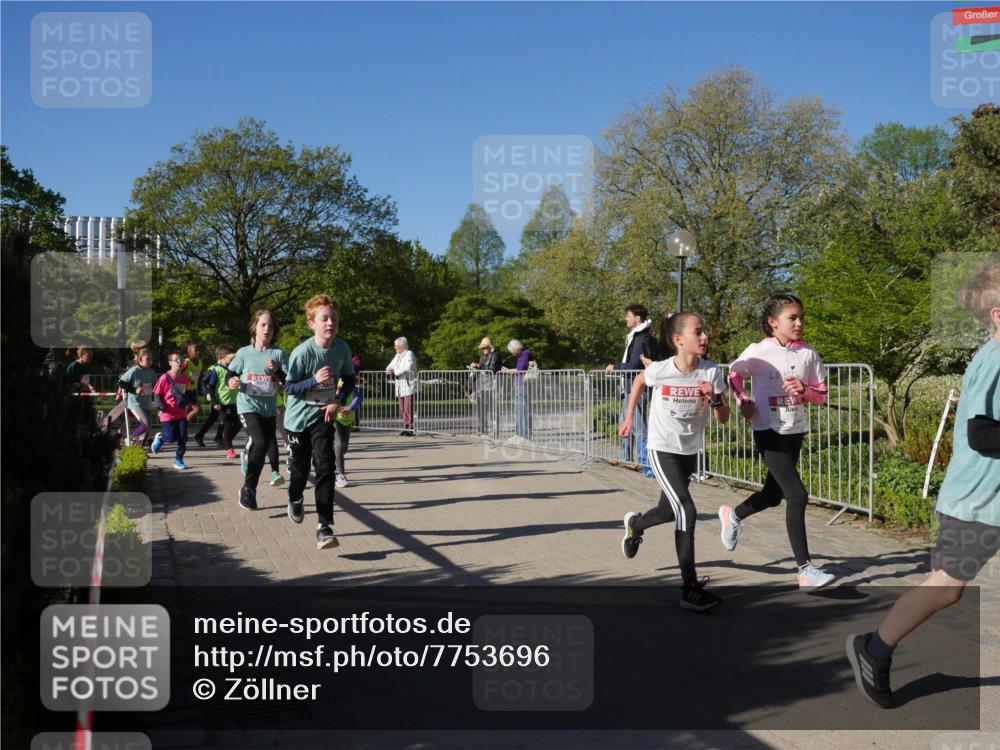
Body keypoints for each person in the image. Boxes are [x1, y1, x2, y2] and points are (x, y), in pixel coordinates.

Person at [846, 261, 1000, 709]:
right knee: (947, 587)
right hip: (978, 501)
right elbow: (982, 434)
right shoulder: (993, 361)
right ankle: (873, 649)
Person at [718, 292, 834, 589]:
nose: (799, 323)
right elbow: (734, 375)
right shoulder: (757, 351)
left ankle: (733, 516)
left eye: (801, 318)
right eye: (792, 318)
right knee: (797, 495)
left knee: (772, 495)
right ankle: (805, 570)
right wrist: (744, 400)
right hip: (767, 429)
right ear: (772, 322)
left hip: (795, 429)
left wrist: (804, 389)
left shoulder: (808, 353)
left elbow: (821, 396)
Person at [620, 312, 730, 611]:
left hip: (689, 450)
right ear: (679, 340)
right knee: (686, 509)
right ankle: (690, 590)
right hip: (661, 447)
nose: (705, 336)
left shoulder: (711, 372)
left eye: (704, 331)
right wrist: (630, 416)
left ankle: (636, 525)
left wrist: (715, 399)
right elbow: (640, 381)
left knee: (667, 511)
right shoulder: (662, 370)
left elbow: (724, 417)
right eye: (698, 332)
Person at [283, 294, 356, 550]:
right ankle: (294, 498)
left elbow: (349, 378)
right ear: (312, 323)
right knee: (301, 470)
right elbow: (290, 387)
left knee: (325, 466)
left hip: (323, 415)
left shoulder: (342, 349)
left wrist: (337, 399)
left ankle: (324, 526)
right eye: (324, 319)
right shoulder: (302, 353)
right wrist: (313, 380)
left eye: (334, 319)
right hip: (297, 419)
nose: (330, 323)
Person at [227, 310, 289, 511]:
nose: (267, 329)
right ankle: (249, 489)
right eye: (263, 325)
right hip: (247, 406)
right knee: (261, 443)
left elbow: (290, 381)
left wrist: (278, 370)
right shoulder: (244, 353)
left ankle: (249, 480)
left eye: (270, 326)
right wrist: (231, 381)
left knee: (262, 447)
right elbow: (231, 373)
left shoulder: (279, 354)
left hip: (268, 409)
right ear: (255, 327)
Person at [605, 304, 658, 473]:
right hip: (630, 386)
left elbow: (635, 364)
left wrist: (615, 367)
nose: (625, 319)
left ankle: (644, 462)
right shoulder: (636, 337)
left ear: (637, 318)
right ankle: (625, 457)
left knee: (638, 425)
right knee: (624, 422)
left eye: (628, 315)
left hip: (638, 387)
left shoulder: (642, 339)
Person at [150, 351, 192, 469]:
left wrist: (188, 402)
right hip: (167, 414)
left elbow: (185, 393)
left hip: (181, 413)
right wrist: (160, 406)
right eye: (176, 360)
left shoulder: (184, 378)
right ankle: (161, 438)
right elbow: (157, 393)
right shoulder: (164, 377)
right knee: (171, 437)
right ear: (170, 363)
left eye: (181, 360)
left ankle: (179, 460)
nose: (179, 362)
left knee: (183, 437)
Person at [195, 348, 239, 455]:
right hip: (219, 401)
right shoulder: (214, 369)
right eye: (229, 358)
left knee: (219, 419)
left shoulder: (231, 369)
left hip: (230, 401)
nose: (232, 360)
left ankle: (218, 438)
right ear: (221, 358)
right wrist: (208, 395)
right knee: (222, 420)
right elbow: (205, 384)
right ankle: (224, 443)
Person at [117, 347, 158, 448]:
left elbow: (156, 385)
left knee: (148, 428)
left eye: (151, 359)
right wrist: (134, 390)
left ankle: (139, 449)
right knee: (146, 424)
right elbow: (121, 382)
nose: (150, 361)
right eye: (147, 359)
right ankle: (131, 438)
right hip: (135, 402)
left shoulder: (151, 372)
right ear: (140, 360)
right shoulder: (134, 371)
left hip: (146, 402)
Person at [502, 339, 535, 442]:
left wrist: (508, 371)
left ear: (516, 348)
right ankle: (518, 433)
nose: (511, 353)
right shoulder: (521, 355)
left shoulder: (525, 354)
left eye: (512, 350)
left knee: (523, 410)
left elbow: (521, 369)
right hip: (519, 384)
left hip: (523, 385)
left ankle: (524, 435)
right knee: (518, 411)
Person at [468, 337, 502, 436]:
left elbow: (493, 368)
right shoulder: (483, 357)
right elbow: (482, 368)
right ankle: (482, 430)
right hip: (481, 385)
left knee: (492, 409)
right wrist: (474, 367)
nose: (483, 350)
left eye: (484, 347)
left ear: (489, 346)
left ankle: (495, 430)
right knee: (481, 409)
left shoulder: (496, 355)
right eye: (482, 348)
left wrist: (479, 366)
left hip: (491, 385)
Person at [333, 377, 363, 487]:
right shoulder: (331, 382)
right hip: (335, 418)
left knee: (344, 448)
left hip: (347, 419)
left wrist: (350, 408)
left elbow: (358, 397)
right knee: (339, 445)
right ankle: (341, 475)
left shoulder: (347, 382)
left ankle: (332, 456)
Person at [386, 337, 417, 436]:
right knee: (403, 409)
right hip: (400, 386)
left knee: (408, 408)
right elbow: (389, 366)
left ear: (402, 346)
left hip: (408, 385)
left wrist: (395, 370)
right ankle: (405, 427)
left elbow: (408, 367)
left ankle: (410, 428)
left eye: (396, 346)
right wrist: (389, 369)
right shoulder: (397, 355)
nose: (395, 348)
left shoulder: (409, 354)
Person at [180, 342, 204, 425]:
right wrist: (187, 379)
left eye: (199, 350)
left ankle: (182, 430)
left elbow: (199, 376)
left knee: (189, 411)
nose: (198, 352)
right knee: (197, 409)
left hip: (193, 390)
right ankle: (182, 427)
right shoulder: (186, 362)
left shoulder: (200, 362)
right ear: (190, 352)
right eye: (196, 350)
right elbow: (177, 373)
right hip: (185, 391)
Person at [351, 355, 365, 431]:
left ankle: (355, 426)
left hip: (357, 386)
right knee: (353, 406)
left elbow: (356, 368)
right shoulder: (353, 360)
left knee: (355, 406)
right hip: (354, 385)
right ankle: (354, 425)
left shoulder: (356, 360)